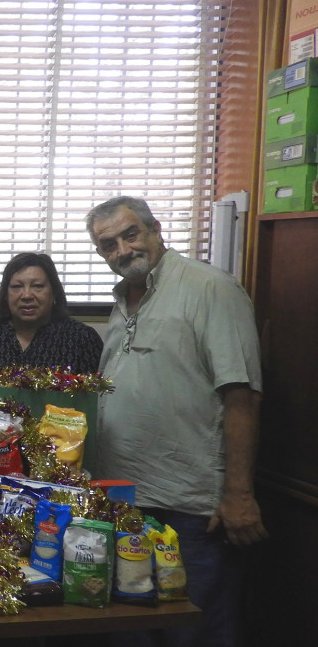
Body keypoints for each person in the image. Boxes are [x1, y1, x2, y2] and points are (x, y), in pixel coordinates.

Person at [86, 195, 266, 647]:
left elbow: (241, 394)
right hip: (125, 500)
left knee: (195, 628)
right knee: (134, 629)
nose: (123, 250)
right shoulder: (125, 297)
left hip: (188, 506)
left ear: (155, 228)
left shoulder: (209, 287)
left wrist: (239, 493)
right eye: (109, 245)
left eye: (131, 234)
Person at [0, 252, 103, 390]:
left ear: (54, 292)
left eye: (37, 286)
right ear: (5, 294)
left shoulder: (82, 339)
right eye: (17, 287)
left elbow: (99, 400)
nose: (26, 295)